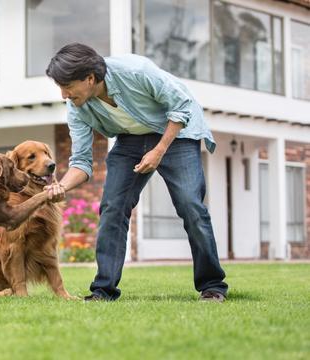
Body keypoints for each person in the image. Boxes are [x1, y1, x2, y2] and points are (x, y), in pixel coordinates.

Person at [44, 43, 228, 302]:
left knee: (190, 205)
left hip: (176, 132)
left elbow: (182, 105)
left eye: (67, 86)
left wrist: (159, 150)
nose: (64, 94)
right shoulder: (77, 108)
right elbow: (82, 162)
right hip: (131, 140)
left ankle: (213, 285)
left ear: (89, 78)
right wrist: (61, 186)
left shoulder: (136, 71)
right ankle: (103, 291)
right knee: (112, 207)